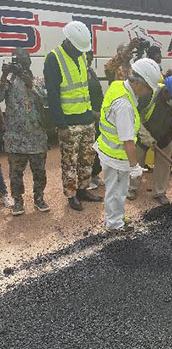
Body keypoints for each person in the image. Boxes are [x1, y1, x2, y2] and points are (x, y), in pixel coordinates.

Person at [94, 58, 162, 233]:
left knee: (120, 189)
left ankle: (117, 216)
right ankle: (114, 224)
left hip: (110, 151)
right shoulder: (124, 105)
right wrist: (134, 166)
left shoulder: (119, 86)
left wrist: (144, 135)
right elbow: (127, 141)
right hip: (116, 156)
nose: (148, 92)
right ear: (139, 83)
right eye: (148, 88)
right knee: (115, 191)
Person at [44, 21, 102, 211]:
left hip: (86, 119)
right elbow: (52, 95)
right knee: (70, 162)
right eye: (78, 49)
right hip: (69, 123)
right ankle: (71, 195)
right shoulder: (54, 59)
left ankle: (83, 189)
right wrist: (61, 125)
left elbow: (84, 88)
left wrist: (91, 112)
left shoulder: (81, 55)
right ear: (68, 41)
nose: (81, 52)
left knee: (87, 158)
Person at [0, 48, 49, 215]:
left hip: (37, 137)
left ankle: (39, 198)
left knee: (40, 172)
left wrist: (31, 84)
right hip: (16, 138)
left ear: (29, 62)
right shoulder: (8, 82)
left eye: (24, 61)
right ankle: (18, 201)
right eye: (17, 61)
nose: (21, 64)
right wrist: (4, 76)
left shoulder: (38, 80)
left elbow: (47, 99)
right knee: (15, 174)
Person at [128, 74, 172, 205]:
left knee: (163, 165)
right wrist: (144, 134)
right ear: (166, 92)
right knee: (136, 161)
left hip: (165, 136)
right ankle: (131, 188)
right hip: (143, 133)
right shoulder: (149, 94)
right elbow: (133, 114)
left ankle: (159, 192)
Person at [86, 50, 105, 190]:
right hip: (88, 117)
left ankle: (95, 175)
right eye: (87, 57)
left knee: (98, 147)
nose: (89, 60)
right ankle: (86, 178)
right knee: (88, 150)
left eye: (91, 58)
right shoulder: (79, 74)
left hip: (98, 116)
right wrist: (93, 113)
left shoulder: (91, 71)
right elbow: (79, 98)